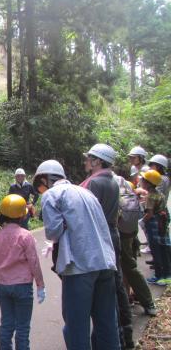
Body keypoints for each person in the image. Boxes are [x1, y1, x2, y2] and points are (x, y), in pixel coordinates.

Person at [34, 159, 120, 350]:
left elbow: (53, 232)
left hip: (79, 267)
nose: (41, 190)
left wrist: (63, 224)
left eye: (40, 185)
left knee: (76, 329)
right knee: (107, 325)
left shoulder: (51, 194)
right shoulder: (86, 191)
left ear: (45, 179)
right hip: (105, 263)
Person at [81, 144, 135, 348]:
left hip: (98, 236)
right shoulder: (112, 180)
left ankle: (114, 339)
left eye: (89, 158)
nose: (86, 161)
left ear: (98, 161)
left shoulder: (94, 183)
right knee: (115, 284)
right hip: (112, 234)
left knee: (104, 289)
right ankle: (125, 334)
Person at [0, 194, 45, 350]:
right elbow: (34, 262)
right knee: (22, 327)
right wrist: (40, 285)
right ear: (21, 216)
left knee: (6, 324)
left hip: (3, 286)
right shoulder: (25, 236)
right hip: (22, 287)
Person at [114, 174, 157, 317]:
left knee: (125, 267)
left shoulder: (107, 187)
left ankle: (135, 302)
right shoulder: (127, 187)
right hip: (131, 233)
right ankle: (133, 300)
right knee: (129, 268)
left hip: (121, 234)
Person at [140, 170, 171, 286]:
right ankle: (167, 275)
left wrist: (142, 221)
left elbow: (149, 214)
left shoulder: (150, 196)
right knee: (164, 250)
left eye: (143, 179)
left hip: (154, 225)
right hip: (162, 223)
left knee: (156, 250)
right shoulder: (160, 194)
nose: (141, 181)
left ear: (148, 183)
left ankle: (158, 276)